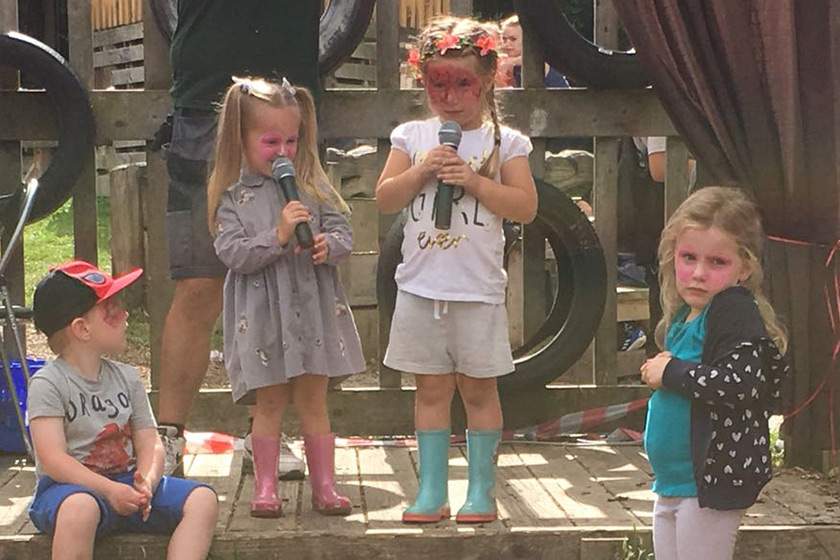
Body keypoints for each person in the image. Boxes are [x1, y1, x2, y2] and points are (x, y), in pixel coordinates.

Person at [379, 17, 538, 524]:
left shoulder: (504, 142)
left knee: (478, 389)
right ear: (422, 81)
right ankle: (431, 491)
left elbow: (525, 207)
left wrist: (471, 180)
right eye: (437, 84)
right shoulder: (413, 135)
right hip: (421, 289)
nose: (449, 97)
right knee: (429, 390)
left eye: (462, 84)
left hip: (476, 292)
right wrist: (422, 168)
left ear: (488, 78)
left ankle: (480, 492)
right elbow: (385, 199)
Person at [156, 1, 322, 479]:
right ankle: (168, 436)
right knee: (198, 283)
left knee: (276, 283)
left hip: (288, 105)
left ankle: (263, 437)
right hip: (206, 108)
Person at [208, 77, 365, 518]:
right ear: (242, 139)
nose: (283, 151)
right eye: (271, 140)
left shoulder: (313, 187)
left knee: (314, 400)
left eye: (291, 140)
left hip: (310, 315)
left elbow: (344, 233)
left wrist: (326, 246)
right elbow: (232, 253)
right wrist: (277, 236)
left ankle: (326, 487)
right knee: (270, 402)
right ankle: (265, 487)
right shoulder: (232, 198)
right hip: (262, 319)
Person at [27, 261, 219, 560]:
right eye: (111, 309)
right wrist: (107, 490)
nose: (125, 314)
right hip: (69, 490)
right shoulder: (48, 383)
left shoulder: (127, 377)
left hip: (127, 484)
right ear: (82, 328)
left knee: (203, 500)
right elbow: (52, 460)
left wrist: (147, 481)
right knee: (80, 511)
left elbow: (150, 441)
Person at [639, 187, 789, 560]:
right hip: (673, 483)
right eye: (688, 257)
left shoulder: (731, 310)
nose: (699, 273)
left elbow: (740, 384)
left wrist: (671, 371)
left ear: (745, 267)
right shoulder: (682, 315)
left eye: (717, 262)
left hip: (706, 485)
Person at [497, 15, 569, 88]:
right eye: (504, 39)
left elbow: (535, 60)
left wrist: (510, 62)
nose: (506, 44)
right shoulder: (512, 65)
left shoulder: (543, 60)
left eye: (513, 39)